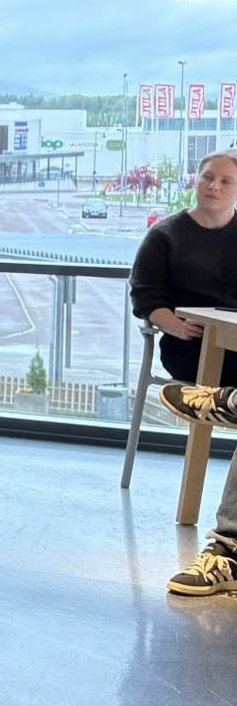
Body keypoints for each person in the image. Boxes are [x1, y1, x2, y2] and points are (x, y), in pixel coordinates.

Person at [129, 151, 237, 597]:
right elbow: (145, 297)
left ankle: (225, 403)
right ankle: (224, 399)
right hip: (191, 346)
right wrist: (172, 323)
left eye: (226, 181)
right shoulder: (165, 236)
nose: (214, 186)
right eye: (208, 177)